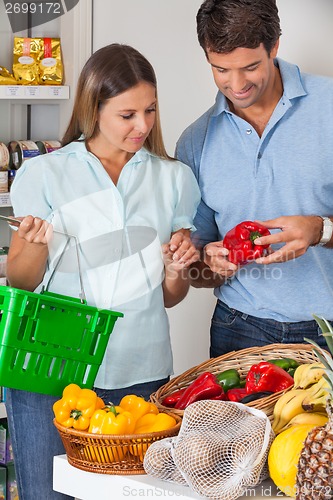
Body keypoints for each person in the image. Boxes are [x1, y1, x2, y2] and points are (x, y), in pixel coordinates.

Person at [5, 43, 200, 500]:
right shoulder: (45, 174)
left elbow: (171, 295)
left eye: (150, 110)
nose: (143, 125)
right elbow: (21, 281)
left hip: (140, 370)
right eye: (127, 114)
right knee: (45, 495)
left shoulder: (174, 179)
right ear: (94, 109)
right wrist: (34, 245)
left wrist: (177, 266)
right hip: (51, 368)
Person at [175, 0, 333, 358]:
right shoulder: (196, 140)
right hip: (238, 329)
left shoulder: (329, 107)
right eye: (220, 70)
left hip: (328, 331)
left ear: (274, 46)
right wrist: (209, 265)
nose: (237, 84)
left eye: (250, 67)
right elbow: (197, 270)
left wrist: (320, 230)